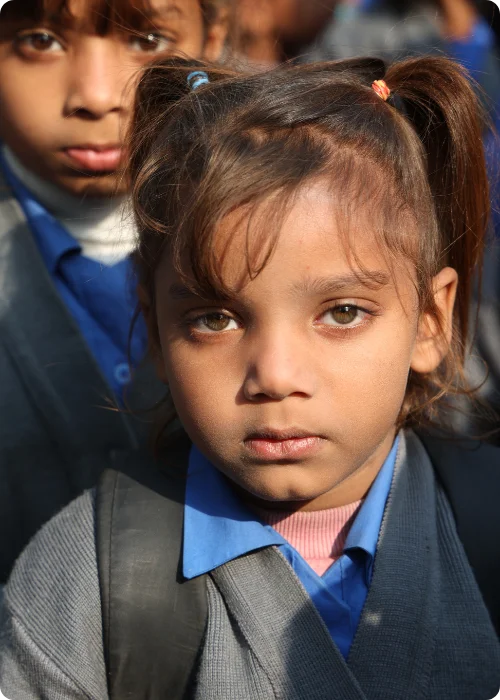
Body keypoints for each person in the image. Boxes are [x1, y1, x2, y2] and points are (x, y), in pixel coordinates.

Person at [1, 54, 500, 698]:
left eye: (342, 313)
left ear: (431, 321)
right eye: (216, 319)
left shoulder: (484, 533)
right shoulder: (86, 580)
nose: (275, 375)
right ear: (154, 327)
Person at [0, 0, 229, 584]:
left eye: (149, 39)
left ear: (214, 38)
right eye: (39, 40)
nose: (97, 96)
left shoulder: (305, 225)